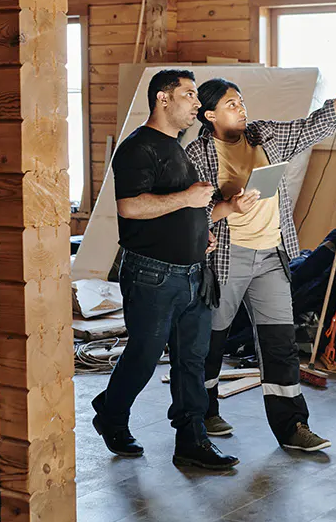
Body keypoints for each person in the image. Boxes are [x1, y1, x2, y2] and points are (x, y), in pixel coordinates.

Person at [185, 60, 336, 452]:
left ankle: (293, 426)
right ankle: (203, 411)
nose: (241, 109)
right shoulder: (197, 155)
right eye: (230, 104)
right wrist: (229, 205)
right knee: (211, 340)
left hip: (271, 255)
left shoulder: (265, 135)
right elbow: (190, 213)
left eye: (241, 101)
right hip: (226, 258)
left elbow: (314, 126)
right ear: (209, 115)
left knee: (279, 342)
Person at [90, 69, 239, 471]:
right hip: (153, 275)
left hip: (193, 273)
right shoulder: (138, 148)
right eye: (189, 95)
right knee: (143, 355)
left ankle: (191, 440)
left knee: (192, 359)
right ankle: (111, 414)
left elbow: (181, 209)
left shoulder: (177, 147)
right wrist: (189, 198)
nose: (196, 103)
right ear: (162, 99)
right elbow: (131, 207)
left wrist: (200, 233)